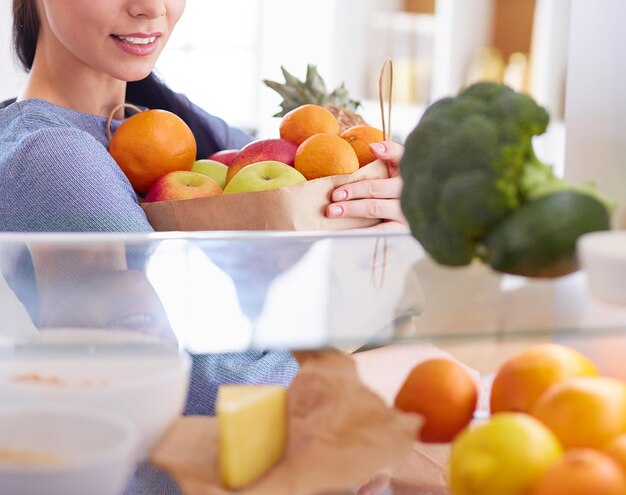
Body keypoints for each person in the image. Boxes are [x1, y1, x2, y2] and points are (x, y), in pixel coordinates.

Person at [0, 1, 418, 493]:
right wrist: (384, 367)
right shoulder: (54, 158)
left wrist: (383, 198)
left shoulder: (172, 121)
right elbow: (198, 393)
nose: (150, 7)